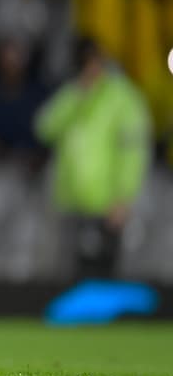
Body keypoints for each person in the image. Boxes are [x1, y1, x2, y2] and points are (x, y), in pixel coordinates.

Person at [34, 36, 151, 280]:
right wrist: (76, 96)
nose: (90, 68)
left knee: (104, 272)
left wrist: (124, 198)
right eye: (84, 63)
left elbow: (134, 153)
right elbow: (44, 128)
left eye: (94, 61)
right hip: (70, 200)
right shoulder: (74, 93)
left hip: (106, 202)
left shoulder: (123, 99)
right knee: (68, 275)